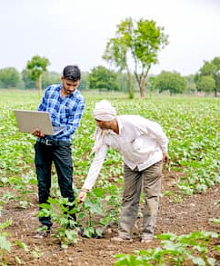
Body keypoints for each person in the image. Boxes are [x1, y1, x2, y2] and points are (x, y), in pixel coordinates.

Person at [78, 100, 169, 243]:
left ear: (108, 119)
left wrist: (164, 150)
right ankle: (124, 234)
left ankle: (147, 234)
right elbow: (97, 161)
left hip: (151, 159)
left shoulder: (133, 122)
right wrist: (85, 188)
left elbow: (157, 131)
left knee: (151, 197)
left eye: (99, 120)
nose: (97, 123)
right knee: (129, 197)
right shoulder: (103, 134)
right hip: (131, 164)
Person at [32, 65, 85, 238]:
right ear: (62, 79)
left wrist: (52, 132)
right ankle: (44, 225)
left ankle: (71, 224)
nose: (71, 89)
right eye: (68, 84)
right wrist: (37, 127)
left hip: (61, 146)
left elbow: (72, 127)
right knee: (43, 185)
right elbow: (40, 111)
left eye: (74, 85)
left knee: (66, 185)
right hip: (42, 143)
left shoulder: (79, 100)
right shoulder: (50, 91)